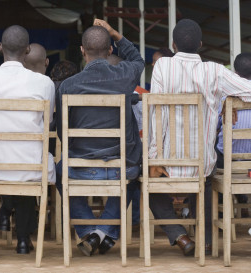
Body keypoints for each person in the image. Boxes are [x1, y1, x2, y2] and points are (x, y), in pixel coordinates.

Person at [148, 19, 251, 256]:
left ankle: (181, 236)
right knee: (204, 182)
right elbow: (247, 89)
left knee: (148, 190)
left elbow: (156, 114)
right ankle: (204, 240)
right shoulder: (214, 71)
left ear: (173, 45)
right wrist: (229, 99)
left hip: (168, 165)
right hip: (202, 166)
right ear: (201, 45)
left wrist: (155, 158)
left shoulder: (162, 66)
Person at [55, 19, 144, 257]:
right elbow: (138, 60)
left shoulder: (67, 86)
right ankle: (103, 233)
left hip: (78, 169)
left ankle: (90, 232)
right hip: (120, 169)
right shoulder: (125, 76)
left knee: (59, 172)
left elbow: (63, 134)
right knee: (135, 173)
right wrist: (115, 33)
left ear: (82, 51)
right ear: (111, 50)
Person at [0, 25, 56, 254]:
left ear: (0, 48)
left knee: (7, 160)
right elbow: (46, 126)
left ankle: (12, 231)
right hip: (31, 168)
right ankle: (23, 240)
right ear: (27, 50)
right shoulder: (45, 84)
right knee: (27, 163)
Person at [215, 53, 251, 216]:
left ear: (235, 73)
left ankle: (222, 211)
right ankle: (240, 196)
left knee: (213, 157)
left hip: (227, 160)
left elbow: (214, 126)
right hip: (250, 165)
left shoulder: (225, 97)